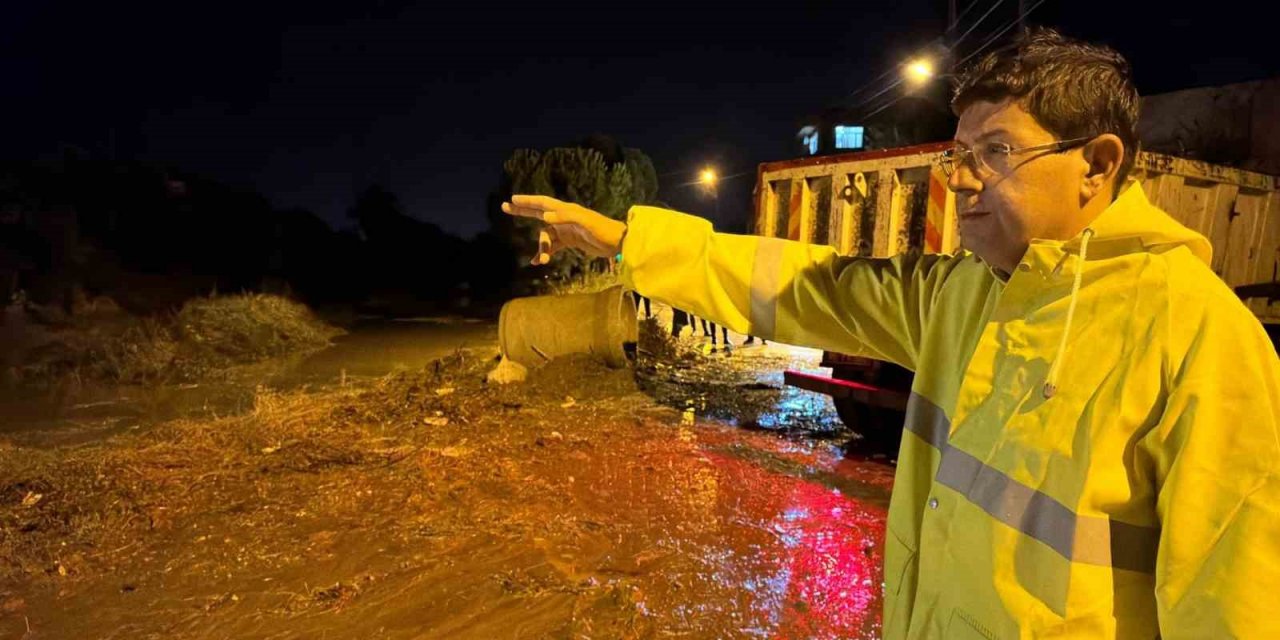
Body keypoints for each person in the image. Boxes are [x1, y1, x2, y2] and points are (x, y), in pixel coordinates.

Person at [503, 28, 1280, 639]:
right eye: (961, 154)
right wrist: (623, 241)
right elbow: (800, 283)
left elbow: (1235, 608)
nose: (962, 178)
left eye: (997, 152)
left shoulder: (1202, 342)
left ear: (1097, 165)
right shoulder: (964, 296)